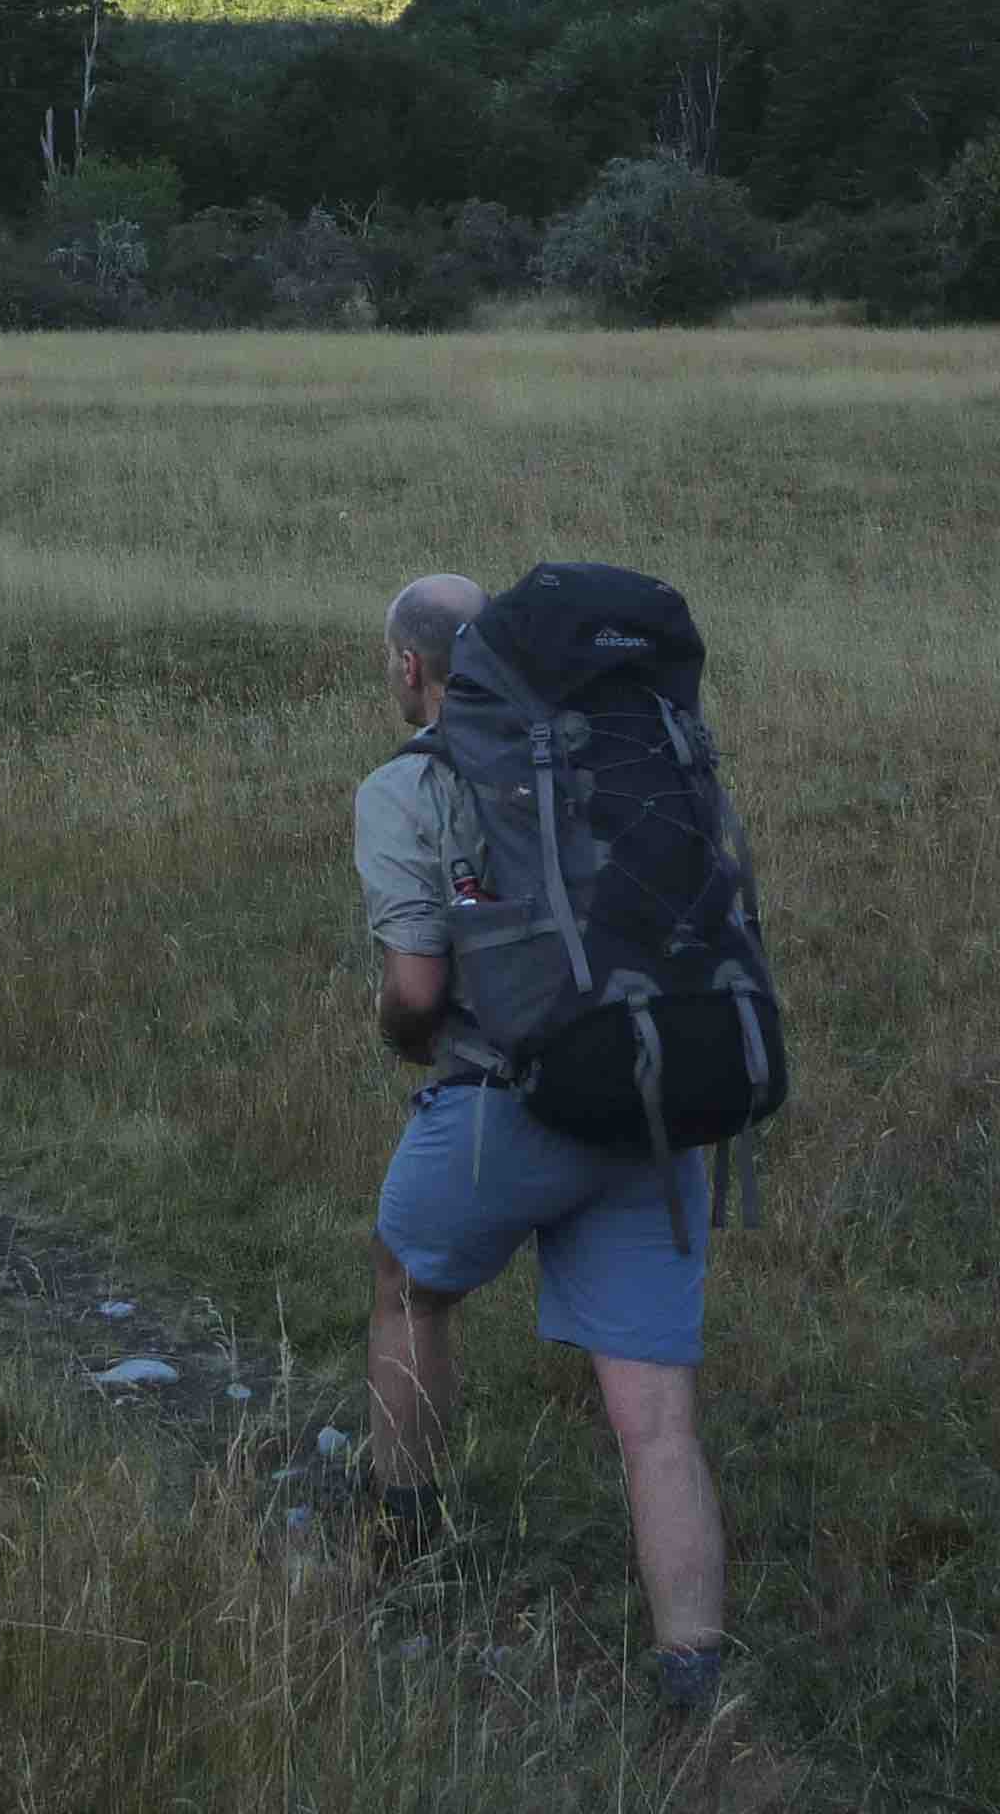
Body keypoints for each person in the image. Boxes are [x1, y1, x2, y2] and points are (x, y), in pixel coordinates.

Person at [352, 570, 735, 1725]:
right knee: (655, 1416)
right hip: (655, 1103)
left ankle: (400, 1542)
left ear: (410, 670)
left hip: (504, 1104)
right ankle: (693, 1677)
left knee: (407, 1292)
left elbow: (418, 994)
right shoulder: (639, 755)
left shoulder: (406, 787)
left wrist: (394, 1030)